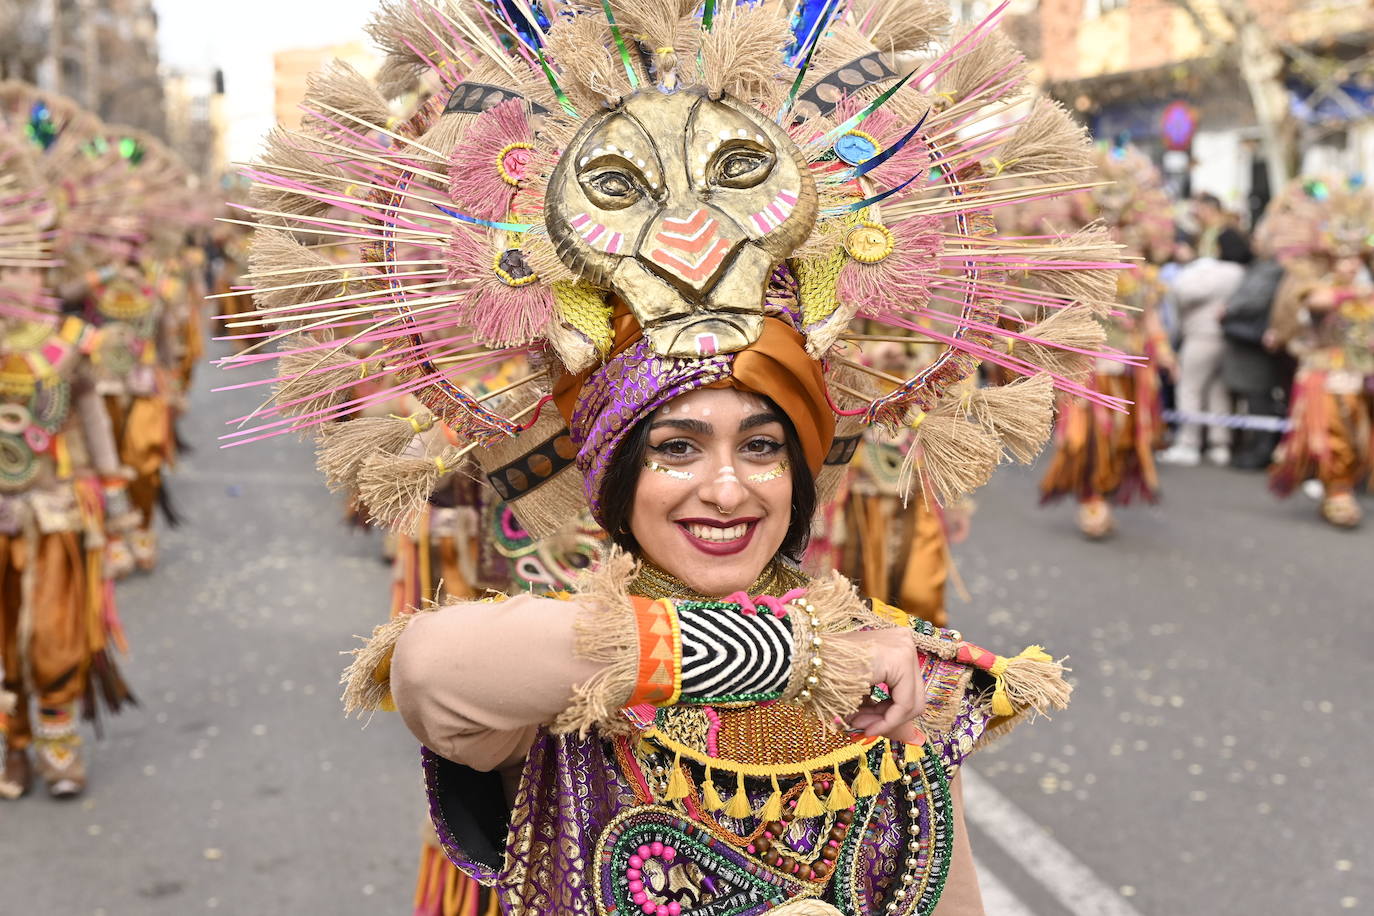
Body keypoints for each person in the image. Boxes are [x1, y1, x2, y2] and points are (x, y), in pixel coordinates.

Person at [225, 0, 1131, 911]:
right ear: (615, 474)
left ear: (802, 470)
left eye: (763, 446)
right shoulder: (565, 679)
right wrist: (795, 650)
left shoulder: (895, 686)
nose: (727, 486)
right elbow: (430, 673)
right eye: (677, 447)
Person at [1158, 234, 1247, 467]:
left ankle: (1189, 443)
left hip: (1200, 336)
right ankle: (1220, 443)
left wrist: (1186, 275)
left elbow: (1183, 291)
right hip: (1224, 338)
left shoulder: (1215, 270)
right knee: (1218, 392)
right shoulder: (1241, 273)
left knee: (1189, 388)